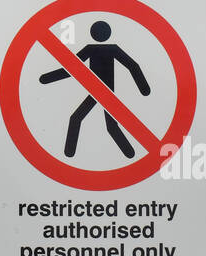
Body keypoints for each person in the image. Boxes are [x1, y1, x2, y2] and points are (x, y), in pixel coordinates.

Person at [39, 20, 150, 158]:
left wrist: (46, 78)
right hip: (98, 92)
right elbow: (133, 66)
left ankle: (130, 153)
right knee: (106, 124)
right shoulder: (107, 49)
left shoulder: (94, 49)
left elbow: (70, 69)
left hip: (104, 93)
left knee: (82, 119)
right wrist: (144, 89)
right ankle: (131, 153)